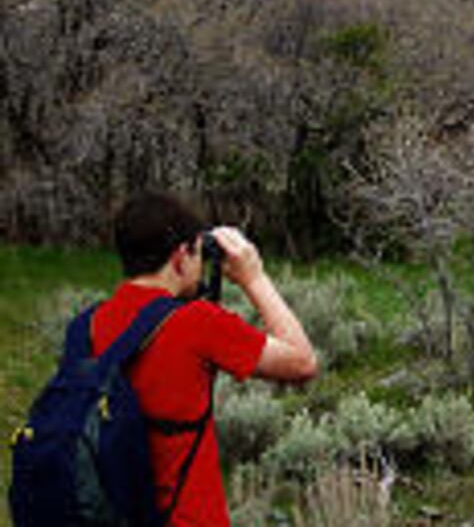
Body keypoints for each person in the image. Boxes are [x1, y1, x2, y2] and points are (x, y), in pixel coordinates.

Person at [93, 191, 317, 526]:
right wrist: (253, 277)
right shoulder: (197, 323)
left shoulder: (92, 322)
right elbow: (302, 362)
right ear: (181, 257)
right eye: (199, 252)